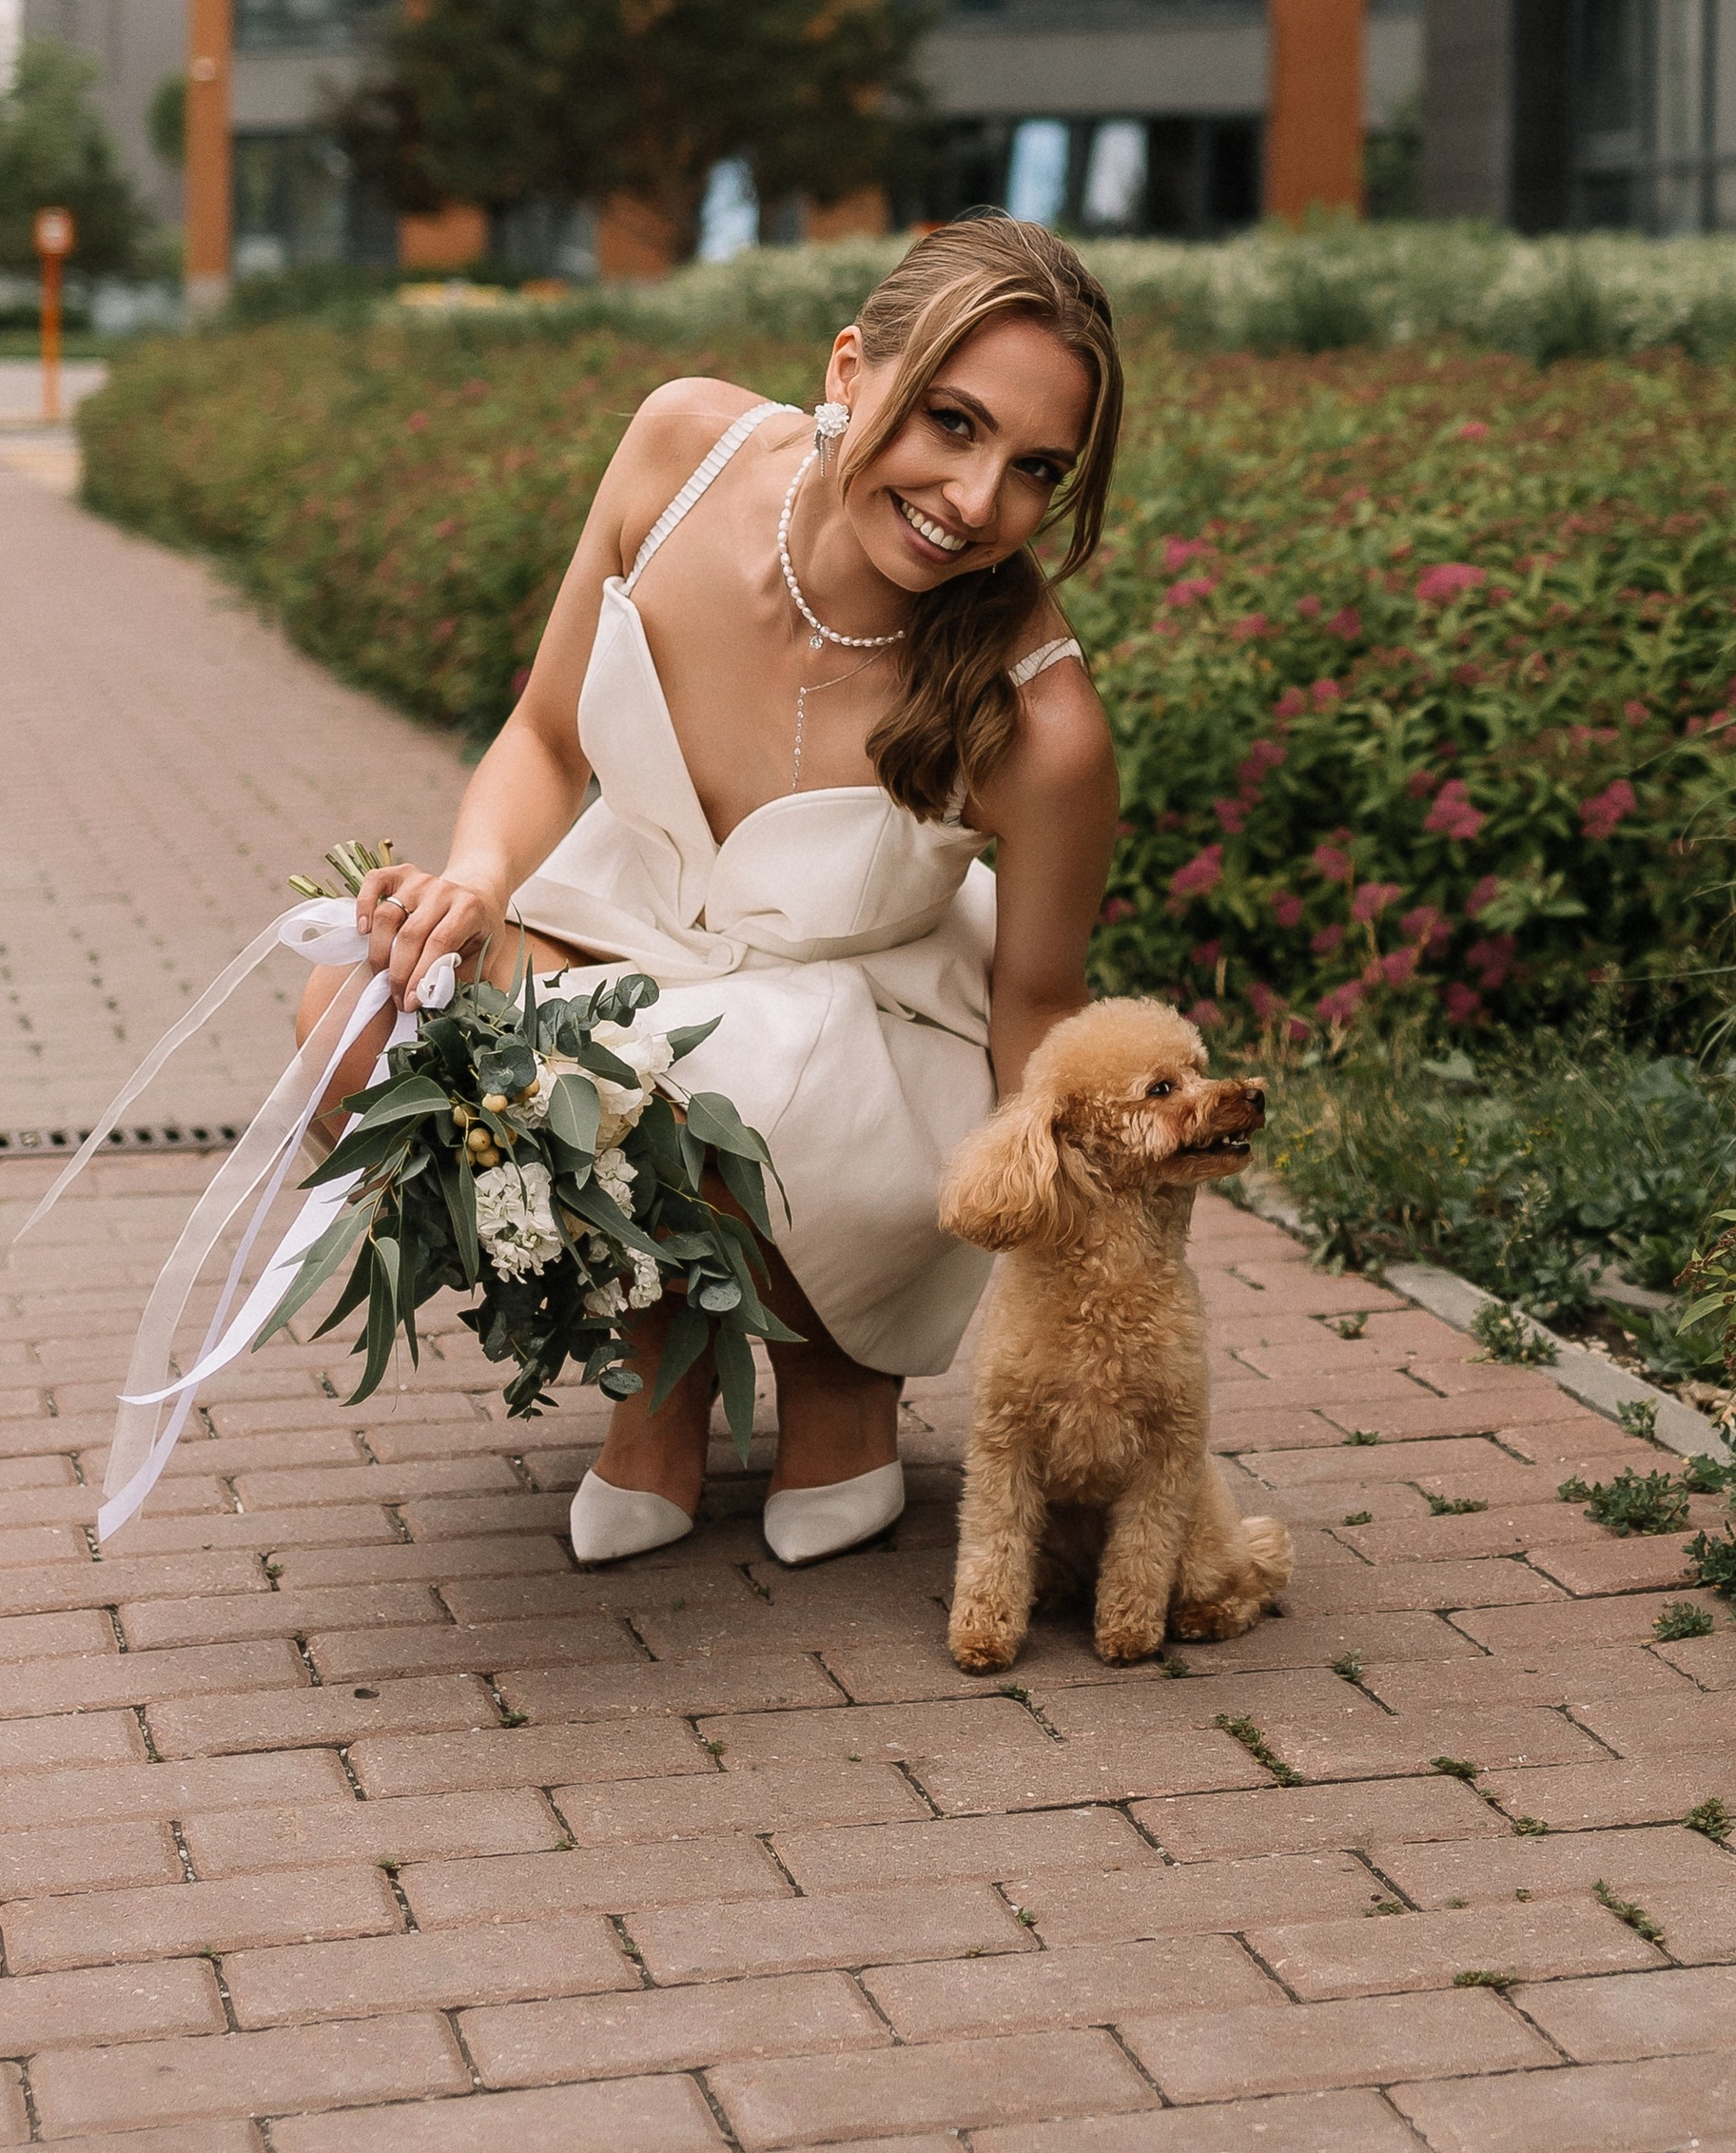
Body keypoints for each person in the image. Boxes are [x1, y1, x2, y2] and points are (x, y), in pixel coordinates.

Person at [298, 214, 1123, 1568]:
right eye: (951, 423)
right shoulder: (682, 450)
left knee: (709, 1083)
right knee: (359, 1020)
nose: (979, 504)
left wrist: (1083, 1299)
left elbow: (1041, 1007)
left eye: (1035, 469)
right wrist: (476, 880)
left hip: (865, 1033)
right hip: (624, 927)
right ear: (851, 370)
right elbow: (548, 737)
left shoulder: (1045, 728)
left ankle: (842, 1377)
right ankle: (659, 1360)